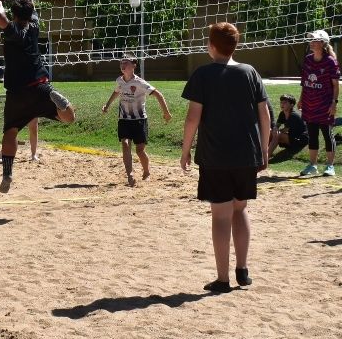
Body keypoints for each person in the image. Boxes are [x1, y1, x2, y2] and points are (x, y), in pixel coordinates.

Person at [181, 22, 270, 293]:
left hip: (215, 156)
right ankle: (242, 269)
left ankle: (223, 279)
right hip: (246, 154)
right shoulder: (250, 72)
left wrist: (185, 150)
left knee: (220, 216)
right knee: (240, 209)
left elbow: (193, 118)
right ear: (235, 45)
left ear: (211, 46)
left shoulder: (203, 74)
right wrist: (264, 150)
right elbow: (264, 115)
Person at [0, 0, 74, 194]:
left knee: (10, 132)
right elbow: (31, 3)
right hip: (40, 85)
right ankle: (60, 101)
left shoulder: (14, 32)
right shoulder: (34, 26)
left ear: (15, 16)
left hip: (17, 92)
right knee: (69, 119)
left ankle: (7, 173)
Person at [101, 54, 172, 186]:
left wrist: (166, 113)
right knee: (125, 144)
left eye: (126, 63)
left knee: (140, 150)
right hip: (124, 120)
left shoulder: (140, 83)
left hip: (139, 120)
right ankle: (130, 175)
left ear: (134, 65)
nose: (122, 65)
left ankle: (147, 172)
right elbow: (116, 92)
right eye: (121, 63)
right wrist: (107, 105)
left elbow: (158, 95)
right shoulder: (119, 81)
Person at [297, 30, 339, 177]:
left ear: (322, 43)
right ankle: (313, 165)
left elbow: (336, 86)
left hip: (325, 105)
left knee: (327, 134)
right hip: (309, 104)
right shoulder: (308, 59)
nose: (312, 42)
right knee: (312, 135)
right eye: (311, 40)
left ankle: (330, 166)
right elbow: (304, 82)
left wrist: (334, 103)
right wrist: (301, 99)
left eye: (315, 40)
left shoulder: (330, 61)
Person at [268, 94, 308, 159]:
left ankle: (266, 157)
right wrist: (274, 130)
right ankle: (264, 153)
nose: (282, 104)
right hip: (292, 137)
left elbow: (286, 129)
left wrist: (275, 131)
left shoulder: (293, 115)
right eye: (281, 102)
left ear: (291, 105)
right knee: (270, 133)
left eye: (285, 103)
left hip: (301, 139)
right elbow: (277, 125)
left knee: (277, 135)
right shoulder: (282, 113)